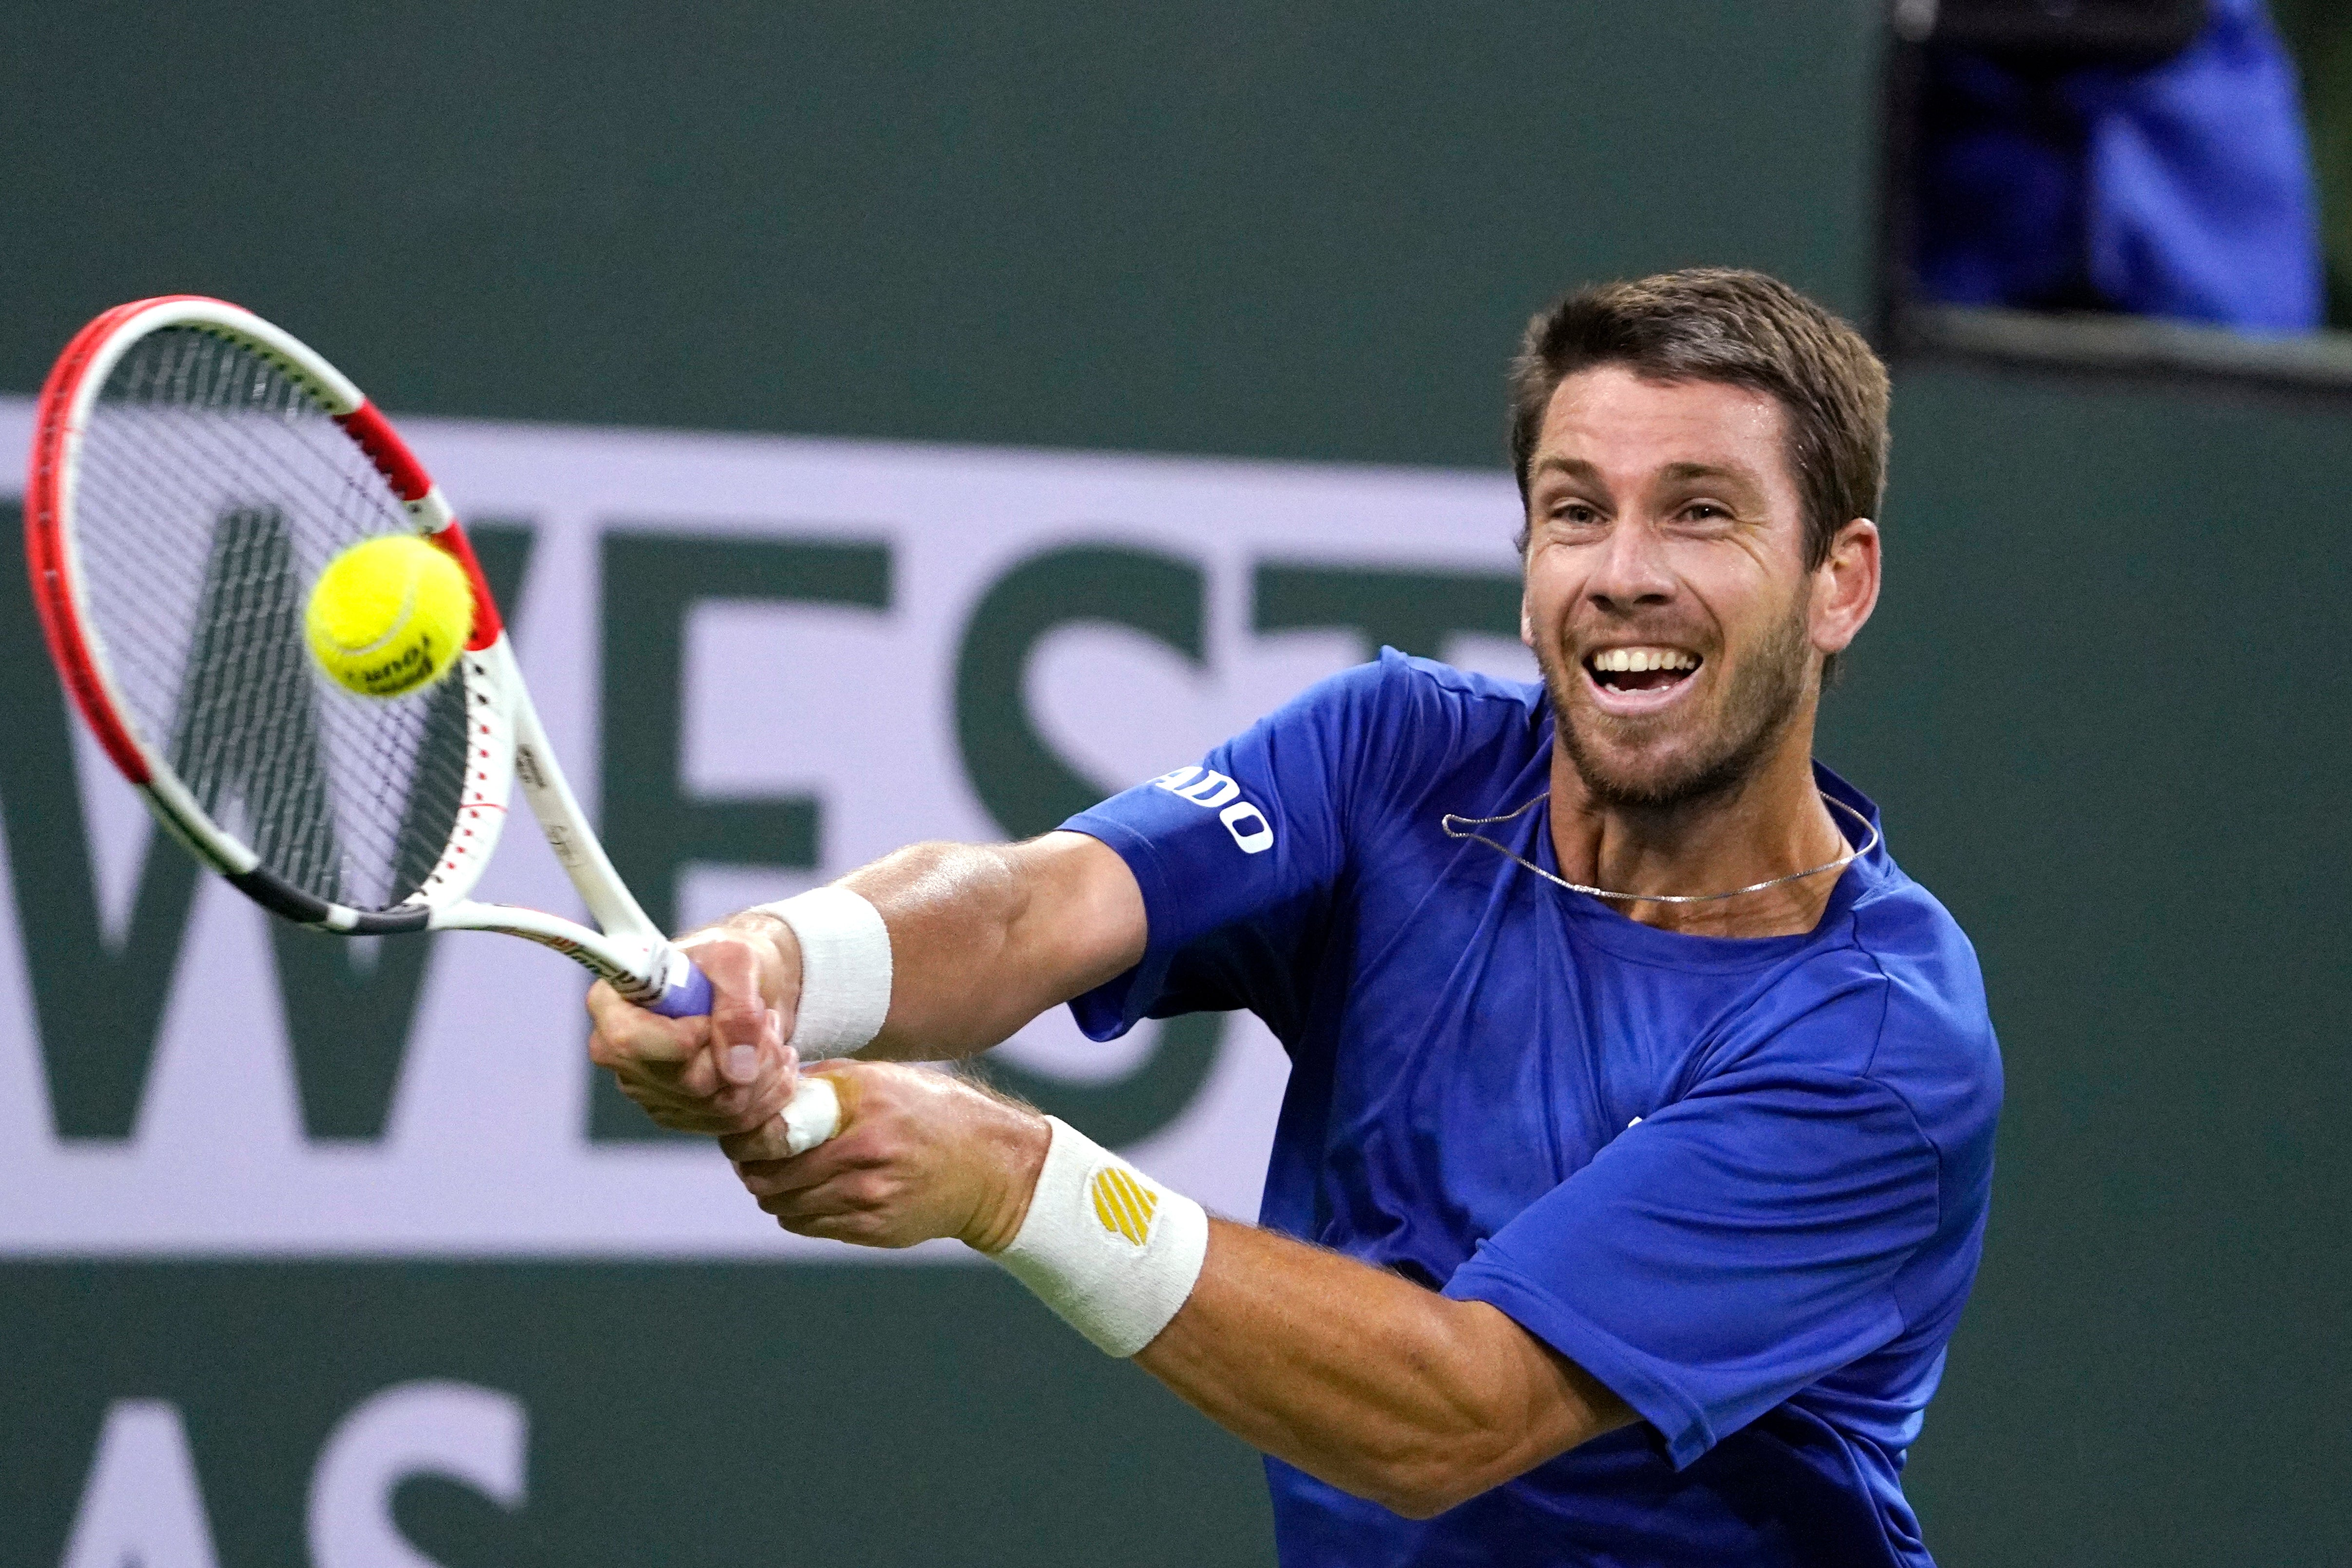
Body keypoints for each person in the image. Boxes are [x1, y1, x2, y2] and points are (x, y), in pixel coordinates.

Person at [587, 268, 2002, 1568]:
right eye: (1576, 510)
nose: (1622, 570)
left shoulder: (1877, 1045)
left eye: (1700, 510)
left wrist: (1018, 1178)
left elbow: (1455, 1412)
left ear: (1841, 582)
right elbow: (1035, 906)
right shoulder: (1397, 759)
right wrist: (779, 967)